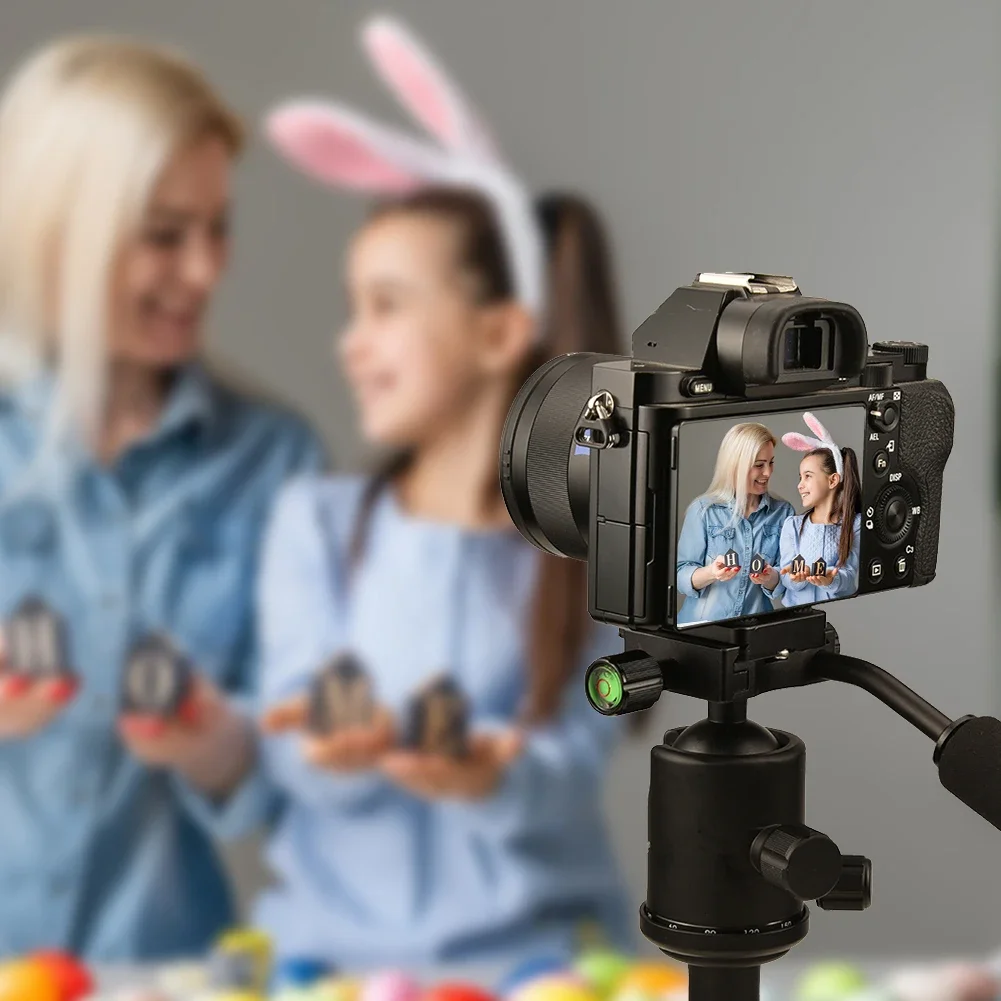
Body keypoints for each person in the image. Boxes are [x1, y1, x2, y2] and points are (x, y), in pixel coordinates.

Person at [254, 14, 633, 968]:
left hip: (538, 959)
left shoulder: (596, 550)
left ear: (501, 333)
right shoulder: (318, 523)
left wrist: (485, 780)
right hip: (328, 956)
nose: (351, 341)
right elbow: (283, 741)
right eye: (353, 309)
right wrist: (326, 752)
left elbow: (577, 756)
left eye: (385, 306)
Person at [0, 36, 323, 960]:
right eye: (163, 234)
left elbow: (304, 773)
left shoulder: (270, 457)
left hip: (162, 971)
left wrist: (215, 741)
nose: (204, 271)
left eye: (217, 227)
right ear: (56, 231)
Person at [676, 423, 794, 626]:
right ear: (736, 465)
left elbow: (787, 580)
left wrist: (770, 577)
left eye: (771, 462)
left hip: (756, 632)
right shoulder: (703, 510)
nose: (767, 472)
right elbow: (680, 575)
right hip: (702, 630)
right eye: (759, 464)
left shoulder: (783, 513)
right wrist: (712, 572)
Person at [778, 413, 862, 606]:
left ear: (833, 480)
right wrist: (794, 578)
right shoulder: (792, 525)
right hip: (798, 617)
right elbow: (785, 575)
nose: (800, 485)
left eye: (808, 476)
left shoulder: (855, 524)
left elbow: (849, 574)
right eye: (800, 477)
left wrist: (831, 579)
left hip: (838, 613)